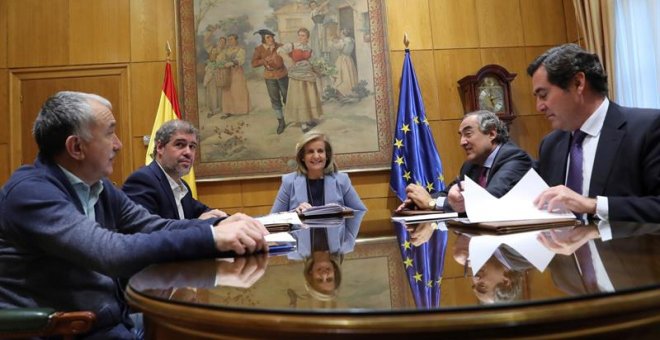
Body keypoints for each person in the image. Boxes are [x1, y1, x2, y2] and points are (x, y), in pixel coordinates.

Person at [0, 91, 268, 339]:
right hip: (70, 330)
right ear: (76, 148)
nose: (118, 145)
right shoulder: (30, 193)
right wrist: (211, 237)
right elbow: (110, 252)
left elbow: (153, 226)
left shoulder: (99, 187)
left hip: (115, 321)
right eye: (110, 134)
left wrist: (221, 224)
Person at [528, 43, 660, 222]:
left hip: (628, 249)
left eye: (543, 95)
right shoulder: (551, 144)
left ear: (578, 83)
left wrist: (593, 205)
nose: (539, 106)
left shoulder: (647, 128)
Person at [397, 110, 532, 213]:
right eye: (461, 136)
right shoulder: (471, 165)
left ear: (491, 134)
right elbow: (448, 194)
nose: (462, 142)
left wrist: (432, 203)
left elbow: (488, 199)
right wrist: (418, 201)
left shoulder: (514, 158)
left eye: (468, 134)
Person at [122, 120, 226, 220]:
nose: (188, 152)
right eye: (180, 144)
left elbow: (206, 212)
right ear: (160, 147)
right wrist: (197, 224)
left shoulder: (182, 186)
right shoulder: (143, 181)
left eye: (192, 146)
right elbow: (150, 231)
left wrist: (231, 220)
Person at [271, 131, 366, 213]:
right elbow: (274, 218)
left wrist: (339, 211)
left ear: (327, 155)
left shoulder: (342, 180)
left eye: (320, 151)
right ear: (302, 157)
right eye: (310, 152)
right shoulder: (289, 182)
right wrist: (295, 212)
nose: (316, 156)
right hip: (300, 234)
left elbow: (359, 211)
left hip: (334, 234)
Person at [278, 28, 323, 133]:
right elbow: (280, 51)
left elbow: (312, 62)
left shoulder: (309, 48)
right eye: (299, 35)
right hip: (297, 76)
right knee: (301, 99)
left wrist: (318, 71)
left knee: (309, 97)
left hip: (308, 75)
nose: (300, 37)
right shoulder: (292, 45)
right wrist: (288, 59)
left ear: (307, 37)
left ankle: (309, 119)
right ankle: (303, 123)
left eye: (303, 35)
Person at [251, 29, 289, 134]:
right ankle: (281, 122)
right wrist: (264, 61)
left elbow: (290, 54)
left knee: (288, 97)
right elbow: (253, 63)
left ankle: (294, 116)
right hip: (270, 77)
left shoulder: (280, 46)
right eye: (268, 37)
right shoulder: (259, 49)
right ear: (263, 39)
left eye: (272, 37)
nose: (271, 39)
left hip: (282, 75)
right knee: (275, 99)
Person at [221, 33, 250, 118]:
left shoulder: (241, 49)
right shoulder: (226, 50)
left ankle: (241, 110)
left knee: (237, 90)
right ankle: (228, 111)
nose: (230, 41)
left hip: (237, 72)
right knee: (227, 91)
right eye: (229, 39)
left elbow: (241, 60)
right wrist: (222, 63)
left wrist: (232, 63)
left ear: (236, 40)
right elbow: (221, 58)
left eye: (232, 39)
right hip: (227, 72)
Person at [331, 28, 358, 97]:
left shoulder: (343, 41)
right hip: (349, 59)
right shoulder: (352, 40)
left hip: (343, 59)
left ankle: (343, 91)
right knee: (349, 74)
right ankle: (350, 90)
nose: (340, 34)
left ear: (344, 34)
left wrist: (334, 42)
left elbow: (338, 47)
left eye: (341, 33)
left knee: (342, 75)